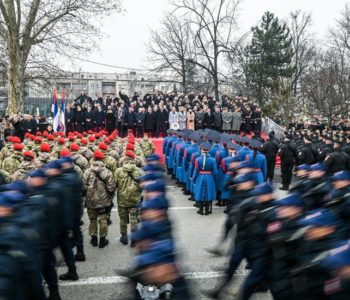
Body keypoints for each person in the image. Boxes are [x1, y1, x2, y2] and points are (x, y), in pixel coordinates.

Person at [82, 150, 116, 248]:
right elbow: (111, 187)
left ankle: (93, 238)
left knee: (92, 219)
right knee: (103, 219)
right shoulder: (107, 171)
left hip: (91, 200)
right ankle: (102, 239)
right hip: (104, 200)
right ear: (102, 159)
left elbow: (83, 186)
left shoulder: (87, 171)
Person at [114, 150, 144, 246]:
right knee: (134, 219)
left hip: (122, 199)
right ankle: (134, 239)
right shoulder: (140, 171)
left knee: (123, 219)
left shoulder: (118, 171)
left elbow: (114, 184)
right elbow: (144, 184)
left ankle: (124, 237)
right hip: (135, 199)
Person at [191, 142, 218, 215]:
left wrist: (193, 179)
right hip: (209, 177)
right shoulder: (213, 160)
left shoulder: (198, 159)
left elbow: (196, 171)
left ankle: (200, 210)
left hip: (200, 177)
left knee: (200, 193)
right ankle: (206, 210)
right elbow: (215, 172)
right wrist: (214, 179)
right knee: (208, 193)